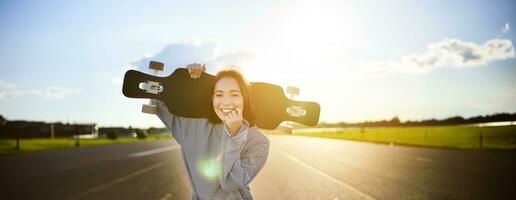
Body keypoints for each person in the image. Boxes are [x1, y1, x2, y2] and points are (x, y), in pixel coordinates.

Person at [152, 63, 270, 200]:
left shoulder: (258, 142)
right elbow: (158, 102)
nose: (226, 102)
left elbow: (230, 183)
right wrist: (188, 80)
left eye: (234, 94)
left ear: (245, 98)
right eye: (219, 94)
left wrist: (234, 135)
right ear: (213, 99)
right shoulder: (193, 127)